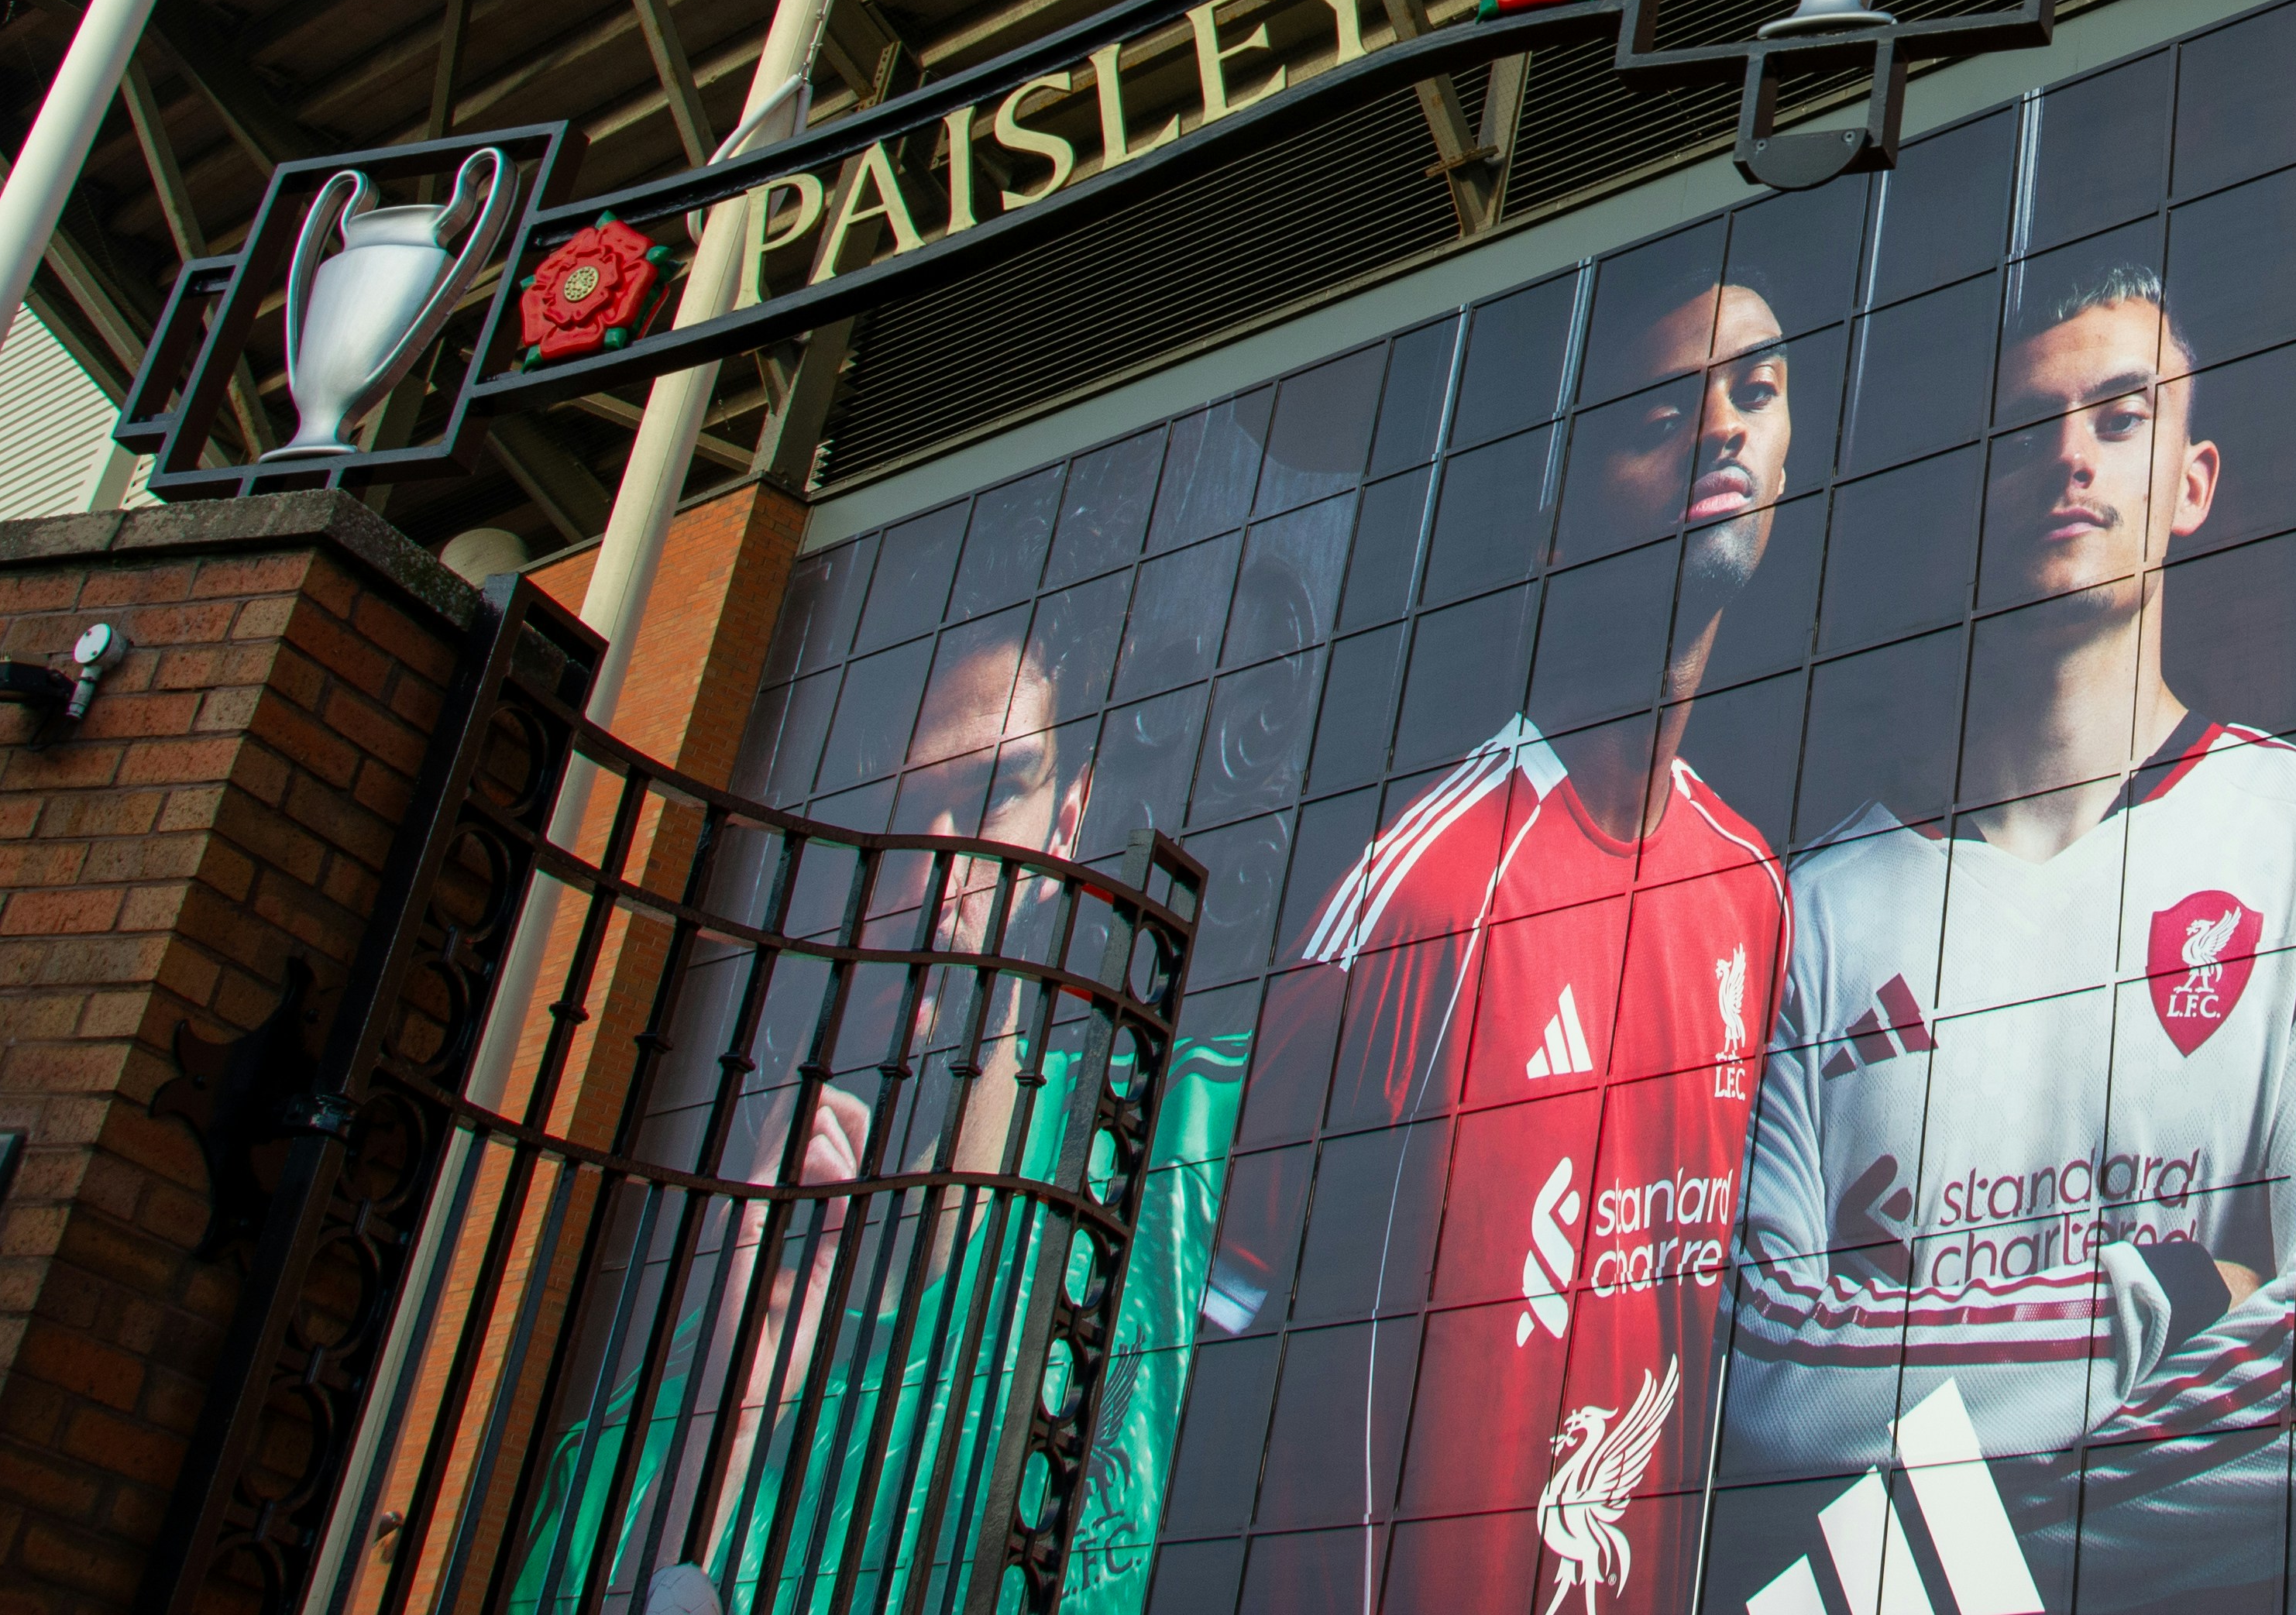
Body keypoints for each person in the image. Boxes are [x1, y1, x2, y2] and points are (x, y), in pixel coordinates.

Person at [1720, 266, 2296, 1610]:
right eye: (2030, 430)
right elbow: (1762, 1381)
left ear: (2192, 483)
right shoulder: (1805, 913)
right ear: (1976, 498)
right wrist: (2172, 1291)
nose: (2070, 457)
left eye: (2120, 417)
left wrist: (1899, 1569)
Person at [1205, 268, 1808, 1615]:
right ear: (1552, 529)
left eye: (1756, 391)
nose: (1723, 427)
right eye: (1660, 414)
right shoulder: (1421, 896)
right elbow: (1199, 1337)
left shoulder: (1754, 892)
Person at [509, 630, 1236, 1615]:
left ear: (1066, 821)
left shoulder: (1191, 1147)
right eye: (903, 815)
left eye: (994, 791)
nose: (939, 858)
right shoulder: (659, 1411)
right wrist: (738, 1390)